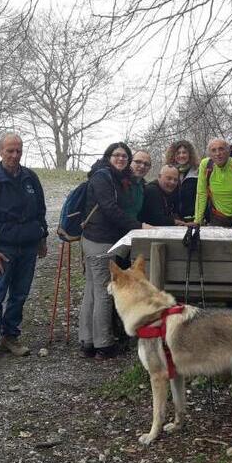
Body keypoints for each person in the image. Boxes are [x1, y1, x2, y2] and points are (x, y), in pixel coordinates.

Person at [0, 132, 48, 362]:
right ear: (0, 152)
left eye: (18, 150)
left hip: (27, 248)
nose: (15, 155)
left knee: (19, 295)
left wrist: (42, 237)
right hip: (2, 250)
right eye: (10, 151)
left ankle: (11, 337)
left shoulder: (30, 178)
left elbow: (40, 210)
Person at [80, 143, 153, 359]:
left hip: (99, 239)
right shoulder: (103, 177)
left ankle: (87, 341)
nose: (121, 159)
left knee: (92, 290)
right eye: (117, 155)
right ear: (108, 156)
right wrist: (139, 226)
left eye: (124, 156)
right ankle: (104, 344)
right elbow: (110, 209)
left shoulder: (115, 177)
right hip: (100, 239)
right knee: (104, 291)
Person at [165, 140, 199, 223]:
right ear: (173, 155)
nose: (181, 155)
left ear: (190, 154)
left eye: (184, 152)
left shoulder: (197, 171)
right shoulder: (169, 171)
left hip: (193, 219)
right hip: (174, 219)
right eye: (178, 153)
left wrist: (199, 218)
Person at [122, 150, 151, 220]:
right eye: (138, 162)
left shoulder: (144, 187)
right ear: (130, 162)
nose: (142, 166)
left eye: (146, 164)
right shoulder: (119, 181)